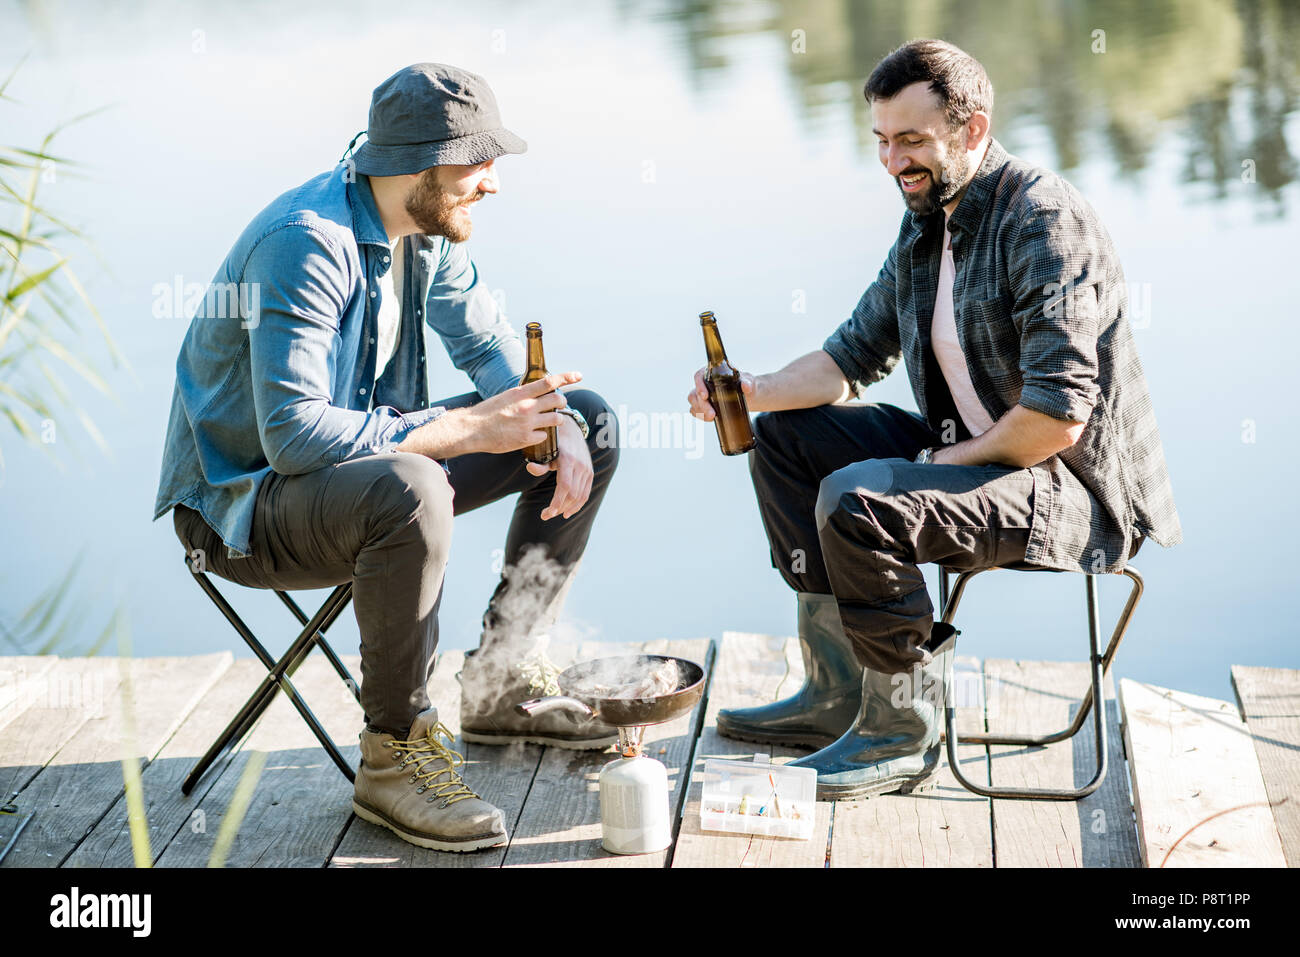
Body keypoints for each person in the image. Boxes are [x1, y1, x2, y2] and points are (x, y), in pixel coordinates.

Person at [687, 39, 1180, 801]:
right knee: (788, 436)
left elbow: (1058, 417)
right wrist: (751, 390)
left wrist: (945, 466)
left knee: (858, 503)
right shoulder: (927, 221)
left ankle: (901, 730)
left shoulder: (1043, 220)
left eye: (912, 141)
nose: (892, 161)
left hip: (1069, 487)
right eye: (882, 141)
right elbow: (848, 358)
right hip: (977, 454)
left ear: (972, 129)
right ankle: (835, 691)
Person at [154, 63, 620, 851]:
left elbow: (485, 341)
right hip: (242, 511)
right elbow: (295, 438)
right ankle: (394, 754)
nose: (494, 184)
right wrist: (471, 431)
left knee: (588, 421)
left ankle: (504, 677)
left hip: (352, 479)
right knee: (412, 486)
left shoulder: (418, 226)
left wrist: (552, 418)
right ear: (420, 164)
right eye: (481, 163)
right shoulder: (306, 244)